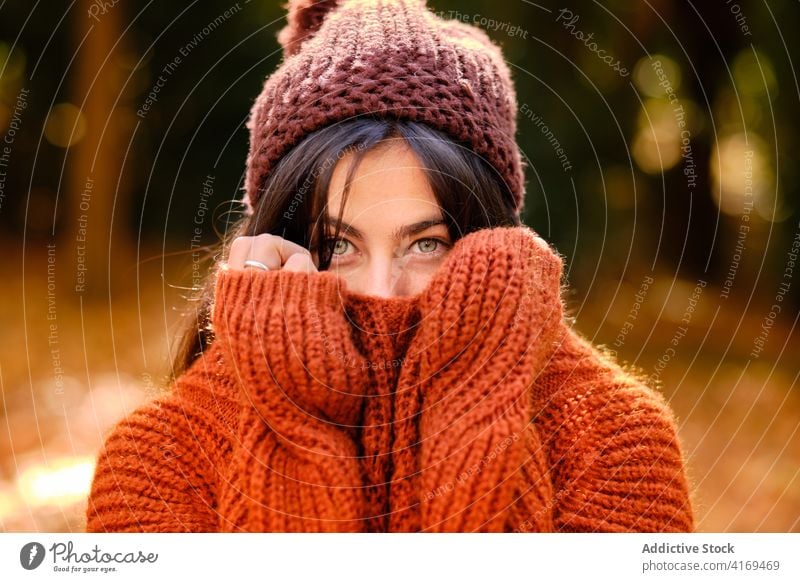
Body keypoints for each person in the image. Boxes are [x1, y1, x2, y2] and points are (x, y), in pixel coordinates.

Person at [85, 0, 694, 533]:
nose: (383, 292)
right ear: (280, 242)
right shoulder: (160, 459)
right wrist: (294, 420)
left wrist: (477, 407)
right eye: (337, 247)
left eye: (426, 244)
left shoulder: (617, 442)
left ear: (489, 238)